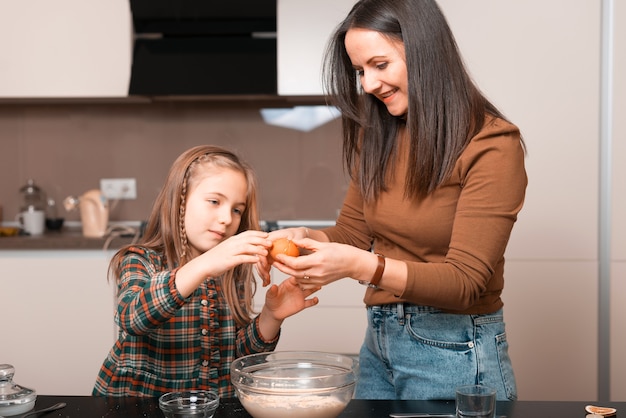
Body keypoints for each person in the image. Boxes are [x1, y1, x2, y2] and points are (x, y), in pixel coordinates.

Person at [260, 0, 527, 401]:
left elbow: (466, 282)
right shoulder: (379, 135)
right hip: (381, 341)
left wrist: (360, 265)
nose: (367, 84)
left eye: (379, 65)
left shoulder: (491, 143)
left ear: (424, 52)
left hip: (454, 348)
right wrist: (303, 238)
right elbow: (352, 233)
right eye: (360, 71)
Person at [93, 145, 319, 398]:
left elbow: (233, 358)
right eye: (214, 201)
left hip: (210, 405)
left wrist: (271, 317)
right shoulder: (140, 259)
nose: (226, 218)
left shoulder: (231, 270)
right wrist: (205, 264)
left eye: (236, 209)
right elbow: (131, 318)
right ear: (180, 200)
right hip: (136, 405)